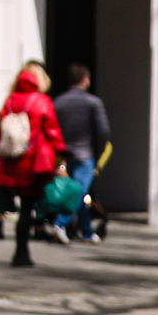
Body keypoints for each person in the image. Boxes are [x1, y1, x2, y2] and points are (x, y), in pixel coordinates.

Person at [0, 61, 65, 267]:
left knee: (19, 206)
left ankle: (18, 247)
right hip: (33, 162)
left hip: (11, 161)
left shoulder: (9, 101)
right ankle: (21, 252)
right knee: (28, 207)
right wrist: (61, 153)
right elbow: (52, 131)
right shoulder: (41, 101)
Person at [52, 63, 111, 243]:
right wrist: (99, 152)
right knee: (79, 192)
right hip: (85, 155)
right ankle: (59, 224)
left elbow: (53, 129)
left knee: (81, 192)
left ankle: (86, 231)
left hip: (65, 154)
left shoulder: (58, 102)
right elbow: (104, 132)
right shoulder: (93, 103)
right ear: (85, 80)